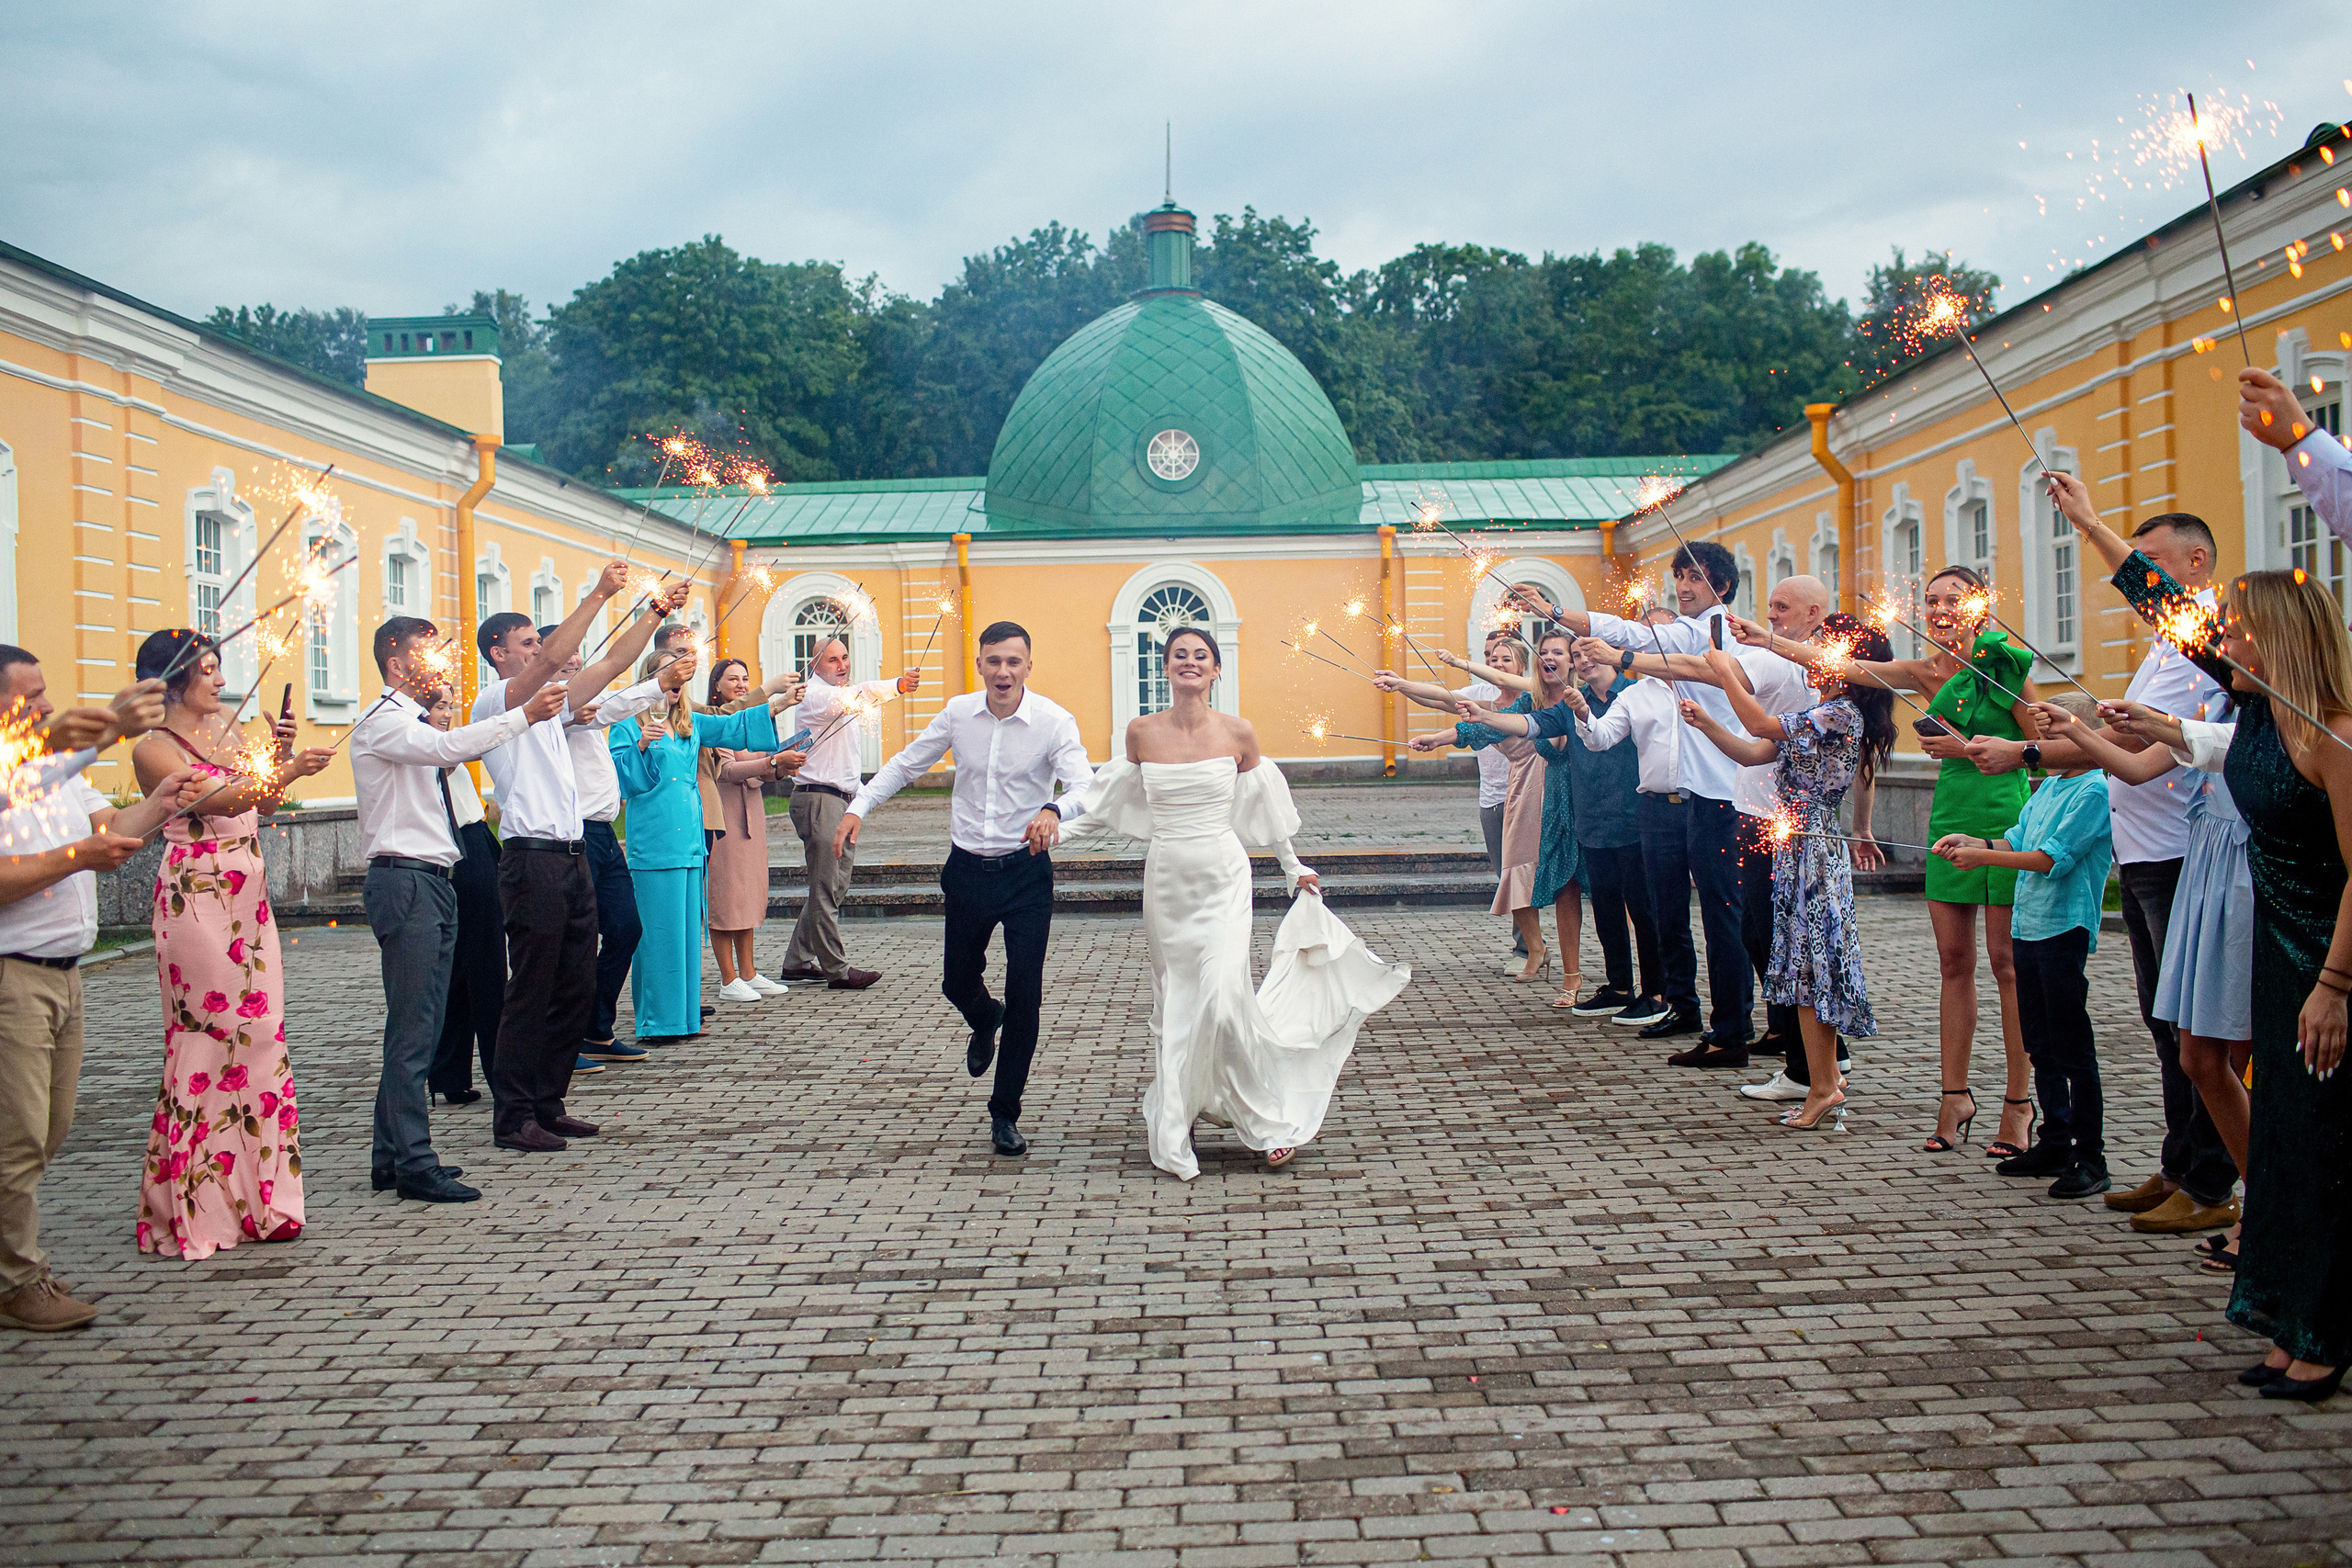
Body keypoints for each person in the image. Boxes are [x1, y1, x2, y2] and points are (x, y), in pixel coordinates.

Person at [2088, 498, 2352, 1400]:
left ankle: (2326, 1332)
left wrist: (2334, 985)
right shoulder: (2251, 712)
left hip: (2321, 959)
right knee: (2280, 1134)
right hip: (2272, 954)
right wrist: (2092, 528)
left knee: (2321, 1142)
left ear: (2278, 638)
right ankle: (2285, 1317)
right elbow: (2174, 626)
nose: (2220, 637)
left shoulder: (2331, 730)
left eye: (2237, 627)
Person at [1961, 514, 2240, 1235]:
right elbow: (2122, 741)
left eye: (2151, 562)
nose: (2137, 579)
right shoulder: (2165, 648)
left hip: (2181, 854)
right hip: (2144, 855)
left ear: (2196, 561)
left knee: (2195, 1030)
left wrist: (2087, 521)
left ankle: (2211, 1177)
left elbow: (2142, 746)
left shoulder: (2205, 645)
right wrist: (2050, 740)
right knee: (2164, 1023)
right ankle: (2181, 1162)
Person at [1055, 627, 1409, 1178]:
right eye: (1179, 655)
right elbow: (1108, 806)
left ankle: (1264, 1121)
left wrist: (1293, 867)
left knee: (1222, 1000)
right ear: (1166, 668)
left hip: (1223, 878)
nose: (1190, 662)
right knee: (1178, 1005)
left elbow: (1265, 807)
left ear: (1216, 669)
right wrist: (1057, 834)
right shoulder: (1141, 734)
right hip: (1168, 883)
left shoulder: (1238, 733)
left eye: (1201, 655)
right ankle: (1181, 1112)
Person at [1763, 569, 2041, 1156]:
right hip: (1950, 814)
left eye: (1953, 600)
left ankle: (2019, 1102)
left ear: (1980, 604)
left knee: (2007, 965)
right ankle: (1954, 1096)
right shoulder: (1926, 669)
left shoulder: (2010, 667)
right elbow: (1846, 667)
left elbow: (2047, 749)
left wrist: (1980, 749)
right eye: (1931, 600)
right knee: (1953, 964)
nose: (1939, 609)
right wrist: (1764, 637)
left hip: (2005, 821)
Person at [1504, 547, 1796, 1066]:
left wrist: (1584, 631)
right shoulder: (1668, 660)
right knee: (1683, 917)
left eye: (1696, 578)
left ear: (1722, 588)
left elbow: (1635, 640)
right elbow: (1627, 645)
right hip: (1683, 803)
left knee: (1730, 921)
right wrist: (1555, 616)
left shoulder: (1715, 634)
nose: (1684, 586)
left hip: (1725, 799)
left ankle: (1738, 1029)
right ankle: (1699, 1014)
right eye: (1679, 576)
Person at [836, 622, 1094, 1155]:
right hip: (968, 870)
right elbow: (906, 764)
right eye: (994, 661)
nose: (1004, 671)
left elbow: (1085, 786)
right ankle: (984, 1016)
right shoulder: (958, 713)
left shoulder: (1053, 721)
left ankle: (1004, 1114)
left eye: (1014, 662)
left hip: (1026, 873)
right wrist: (859, 806)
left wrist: (1054, 808)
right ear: (980, 665)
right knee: (956, 982)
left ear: (1028, 666)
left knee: (1026, 994)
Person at [129, 630, 334, 1260]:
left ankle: (261, 1201)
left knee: (261, 1033)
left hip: (249, 891)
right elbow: (215, 799)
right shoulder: (153, 747)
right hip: (196, 893)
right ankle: (197, 1203)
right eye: (208, 670)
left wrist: (280, 756)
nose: (221, 680)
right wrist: (284, 767)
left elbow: (262, 802)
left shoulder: (231, 731)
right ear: (173, 679)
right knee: (210, 1031)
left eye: (219, 668)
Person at [350, 618, 565, 1201]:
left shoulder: (414, 720)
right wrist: (524, 716)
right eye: (426, 654)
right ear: (397, 665)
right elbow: (447, 749)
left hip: (433, 878)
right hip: (405, 881)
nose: (439, 662)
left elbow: (445, 754)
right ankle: (415, 1163)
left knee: (418, 1021)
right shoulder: (384, 720)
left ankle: (390, 1155)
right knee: (414, 1028)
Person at [0, 658, 183, 1331]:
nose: (46, 705)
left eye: (45, 691)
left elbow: (110, 826)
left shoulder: (58, 770)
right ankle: (17, 1282)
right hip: (13, 975)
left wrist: (164, 802)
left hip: (65, 974)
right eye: (30, 697)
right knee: (16, 1140)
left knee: (47, 1131)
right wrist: (79, 855)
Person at [2041, 694, 2252, 1253]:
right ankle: (2182, 1167)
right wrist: (2079, 730)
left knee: (2211, 1041)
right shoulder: (2207, 696)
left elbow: (2196, 742)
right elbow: (2138, 763)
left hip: (2208, 868)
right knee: (2174, 1036)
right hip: (2159, 859)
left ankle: (2215, 1184)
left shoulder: (2226, 696)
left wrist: (2150, 724)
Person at [1679, 616, 1894, 1129]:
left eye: (1817, 650)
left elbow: (1759, 726)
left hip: (1811, 848)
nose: (1805, 658)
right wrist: (1706, 724)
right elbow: (1754, 751)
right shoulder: (1820, 710)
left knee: (1811, 965)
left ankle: (1821, 1085)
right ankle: (1823, 1080)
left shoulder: (1840, 713)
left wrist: (1724, 672)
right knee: (1801, 966)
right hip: (1795, 844)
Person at [471, 558, 644, 1155]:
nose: (538, 650)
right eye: (525, 642)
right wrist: (598, 592)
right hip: (532, 861)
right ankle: (513, 1115)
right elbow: (552, 661)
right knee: (533, 989)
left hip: (573, 858)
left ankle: (549, 1102)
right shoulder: (495, 701)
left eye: (535, 641)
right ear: (498, 653)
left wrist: (655, 612)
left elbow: (612, 664)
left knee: (574, 985)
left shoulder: (551, 705)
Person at [1934, 694, 2116, 1200]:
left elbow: (2049, 859)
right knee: (2039, 1044)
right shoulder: (2049, 787)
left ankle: (2091, 1155)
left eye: (2050, 735)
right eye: (2039, 735)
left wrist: (1985, 859)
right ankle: (2054, 1140)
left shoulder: (2094, 791)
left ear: (2082, 737)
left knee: (2072, 1048)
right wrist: (1974, 842)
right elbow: (2016, 841)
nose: (2040, 745)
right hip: (2028, 928)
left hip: (2063, 930)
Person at [541, 591, 690, 1071]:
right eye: (567, 658)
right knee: (578, 939)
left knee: (626, 927)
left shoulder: (584, 701)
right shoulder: (546, 705)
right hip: (571, 833)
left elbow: (611, 701)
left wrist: (661, 683)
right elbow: (609, 706)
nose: (575, 665)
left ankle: (595, 1027)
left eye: (578, 658)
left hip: (603, 834)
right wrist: (658, 682)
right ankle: (565, 1040)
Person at [608, 645, 786, 1041]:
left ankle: (686, 1019)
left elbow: (733, 725)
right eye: (667, 674)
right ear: (650, 681)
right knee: (659, 934)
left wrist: (776, 703)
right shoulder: (628, 724)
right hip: (654, 842)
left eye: (681, 676)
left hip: (690, 839)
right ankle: (657, 1023)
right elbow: (622, 780)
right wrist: (641, 746)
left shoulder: (691, 722)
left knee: (688, 935)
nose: (676, 682)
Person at [1416, 630, 1586, 1002]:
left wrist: (1457, 662)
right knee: (1517, 871)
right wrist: (1408, 695)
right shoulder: (1528, 701)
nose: (1550, 658)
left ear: (1573, 661)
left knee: (1577, 887)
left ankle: (1609, 977)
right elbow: (1466, 712)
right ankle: (1540, 954)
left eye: (1558, 652)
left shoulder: (1582, 698)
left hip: (1578, 800)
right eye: (1544, 652)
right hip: (1524, 794)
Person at [1374, 637, 1539, 974]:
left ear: (1521, 666)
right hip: (1493, 798)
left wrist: (1453, 662)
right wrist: (1401, 685)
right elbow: (1442, 700)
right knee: (1507, 876)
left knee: (1525, 876)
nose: (1496, 664)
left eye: (1505, 659)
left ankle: (1530, 950)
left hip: (1531, 794)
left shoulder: (1533, 699)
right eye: (1491, 657)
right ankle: (1532, 947)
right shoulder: (1483, 699)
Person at [775, 637, 916, 991]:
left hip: (841, 801)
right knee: (826, 888)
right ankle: (837, 970)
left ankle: (797, 961)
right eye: (833, 660)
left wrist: (858, 800)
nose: (842, 665)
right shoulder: (815, 695)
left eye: (845, 657)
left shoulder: (838, 696)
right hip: (819, 800)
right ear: (815, 666)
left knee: (834, 886)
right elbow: (859, 695)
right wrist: (898, 685)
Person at [1555, 640, 1668, 1024]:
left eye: (1590, 653)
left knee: (1644, 910)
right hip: (1594, 820)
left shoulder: (1636, 694)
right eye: (1577, 656)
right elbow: (1530, 724)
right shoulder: (1574, 701)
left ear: (1611, 656)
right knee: (1605, 909)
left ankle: (1657, 991)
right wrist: (1482, 718)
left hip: (1636, 820)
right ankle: (1619, 986)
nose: (1583, 661)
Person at [702, 657, 805, 1002]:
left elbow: (762, 769)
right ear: (716, 685)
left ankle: (748, 972)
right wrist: (772, 761)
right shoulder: (715, 722)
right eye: (733, 679)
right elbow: (728, 770)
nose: (741, 684)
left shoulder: (752, 721)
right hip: (724, 817)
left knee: (746, 895)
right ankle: (728, 978)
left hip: (752, 815)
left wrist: (782, 765)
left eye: (745, 678)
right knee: (725, 897)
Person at [421, 689, 503, 1105]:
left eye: (449, 707)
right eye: (439, 707)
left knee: (465, 965)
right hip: (457, 846)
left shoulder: (438, 743)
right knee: (482, 965)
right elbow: (451, 755)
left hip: (476, 838)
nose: (447, 714)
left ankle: (451, 1073)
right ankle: (499, 1071)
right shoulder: (424, 746)